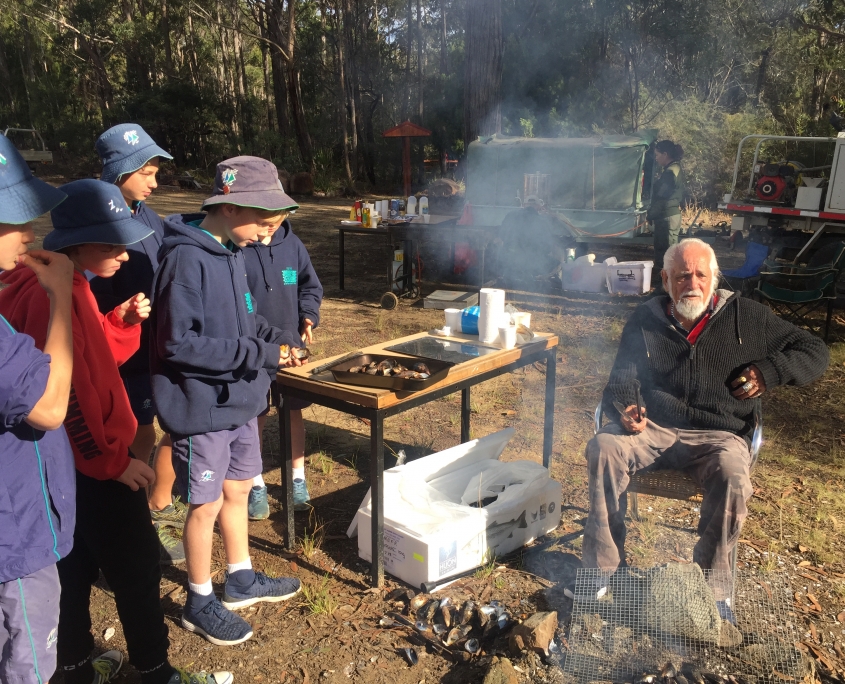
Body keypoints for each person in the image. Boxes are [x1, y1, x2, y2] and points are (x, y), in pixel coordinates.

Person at [0, 179, 232, 684]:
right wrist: (111, 462)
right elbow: (69, 399)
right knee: (134, 570)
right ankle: (153, 668)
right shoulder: (50, 297)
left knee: (75, 568)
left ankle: (77, 666)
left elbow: (88, 356)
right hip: (94, 467)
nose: (124, 256)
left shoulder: (71, 288)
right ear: (73, 244)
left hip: (77, 466)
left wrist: (118, 323)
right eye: (111, 245)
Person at [579, 238, 829, 605]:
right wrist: (626, 406)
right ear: (665, 279)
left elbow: (815, 350)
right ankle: (602, 572)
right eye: (682, 276)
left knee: (733, 475)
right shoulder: (645, 318)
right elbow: (621, 379)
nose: (692, 284)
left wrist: (769, 371)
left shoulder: (748, 316)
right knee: (603, 447)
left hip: (719, 432)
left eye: (700, 275)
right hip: (654, 428)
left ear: (715, 277)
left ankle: (712, 591)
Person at [150, 156, 303, 646]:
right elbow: (178, 344)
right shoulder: (186, 260)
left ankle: (240, 579)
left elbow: (248, 320)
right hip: (202, 409)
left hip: (241, 401)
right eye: (265, 223)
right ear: (233, 207)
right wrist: (258, 351)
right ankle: (198, 599)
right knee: (206, 503)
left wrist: (280, 339)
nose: (267, 236)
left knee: (238, 491)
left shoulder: (234, 252)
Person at [90, 122, 185, 564]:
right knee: (133, 434)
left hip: (155, 346)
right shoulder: (96, 217)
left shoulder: (149, 215)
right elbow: (87, 293)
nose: (154, 180)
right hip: (118, 353)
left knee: (167, 427)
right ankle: (127, 529)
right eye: (145, 171)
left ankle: (153, 509)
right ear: (119, 170)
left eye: (155, 170)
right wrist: (120, 312)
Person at [0, 135, 75, 684]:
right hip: (14, 540)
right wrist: (63, 299)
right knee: (27, 665)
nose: (28, 234)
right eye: (14, 220)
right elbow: (49, 406)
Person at [242, 201, 323, 518]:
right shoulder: (241, 246)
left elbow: (310, 285)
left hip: (293, 348)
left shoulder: (293, 243)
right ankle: (255, 483)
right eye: (265, 220)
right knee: (255, 415)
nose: (270, 226)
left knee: (293, 410)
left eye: (277, 220)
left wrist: (308, 316)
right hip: (256, 348)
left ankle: (297, 478)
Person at [647, 140, 685, 289]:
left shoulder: (670, 173)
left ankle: (667, 291)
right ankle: (664, 288)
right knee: (665, 255)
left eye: (657, 155)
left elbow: (663, 199)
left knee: (667, 256)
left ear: (665, 154)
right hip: (667, 216)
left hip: (667, 217)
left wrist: (650, 215)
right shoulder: (673, 169)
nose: (656, 158)